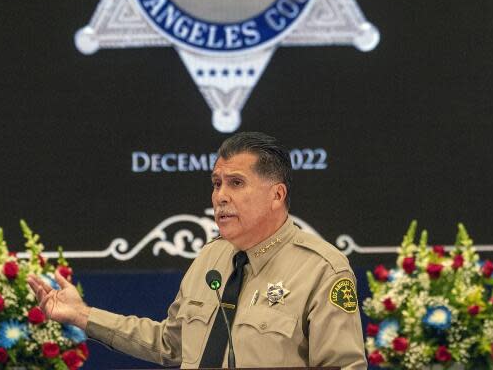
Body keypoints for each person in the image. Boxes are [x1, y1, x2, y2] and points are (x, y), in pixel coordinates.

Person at [27, 131, 366, 369]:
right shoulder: (211, 258)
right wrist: (83, 315)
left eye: (236, 183)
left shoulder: (322, 269)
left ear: (277, 195)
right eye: (216, 184)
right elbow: (170, 344)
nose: (220, 196)